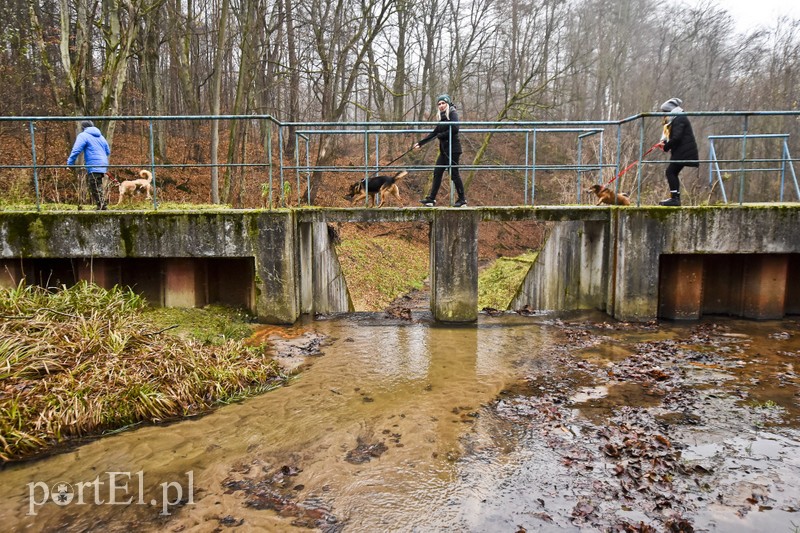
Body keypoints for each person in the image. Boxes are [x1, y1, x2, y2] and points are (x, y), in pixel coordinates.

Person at [413, 94, 467, 207]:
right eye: (439, 104)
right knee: (437, 172)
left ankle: (462, 200)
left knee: (454, 174)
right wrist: (420, 143)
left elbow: (455, 128)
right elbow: (434, 133)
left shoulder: (452, 113)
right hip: (444, 151)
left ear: (447, 104)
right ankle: (431, 199)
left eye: (443, 103)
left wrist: (441, 135)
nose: (441, 106)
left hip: (453, 149)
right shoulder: (442, 117)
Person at [658, 97, 698, 206]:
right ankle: (675, 197)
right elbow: (675, 137)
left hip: (683, 151)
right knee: (672, 172)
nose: (664, 115)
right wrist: (665, 144)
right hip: (682, 151)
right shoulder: (677, 118)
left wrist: (666, 147)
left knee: (670, 172)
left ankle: (675, 198)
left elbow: (677, 137)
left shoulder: (679, 119)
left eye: (665, 112)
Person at [67, 120, 111, 210]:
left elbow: (76, 150)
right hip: (103, 163)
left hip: (94, 163)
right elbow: (108, 151)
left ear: (83, 128)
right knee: (97, 183)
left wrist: (70, 163)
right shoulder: (101, 136)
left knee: (94, 184)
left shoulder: (83, 136)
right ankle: (102, 205)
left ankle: (102, 206)